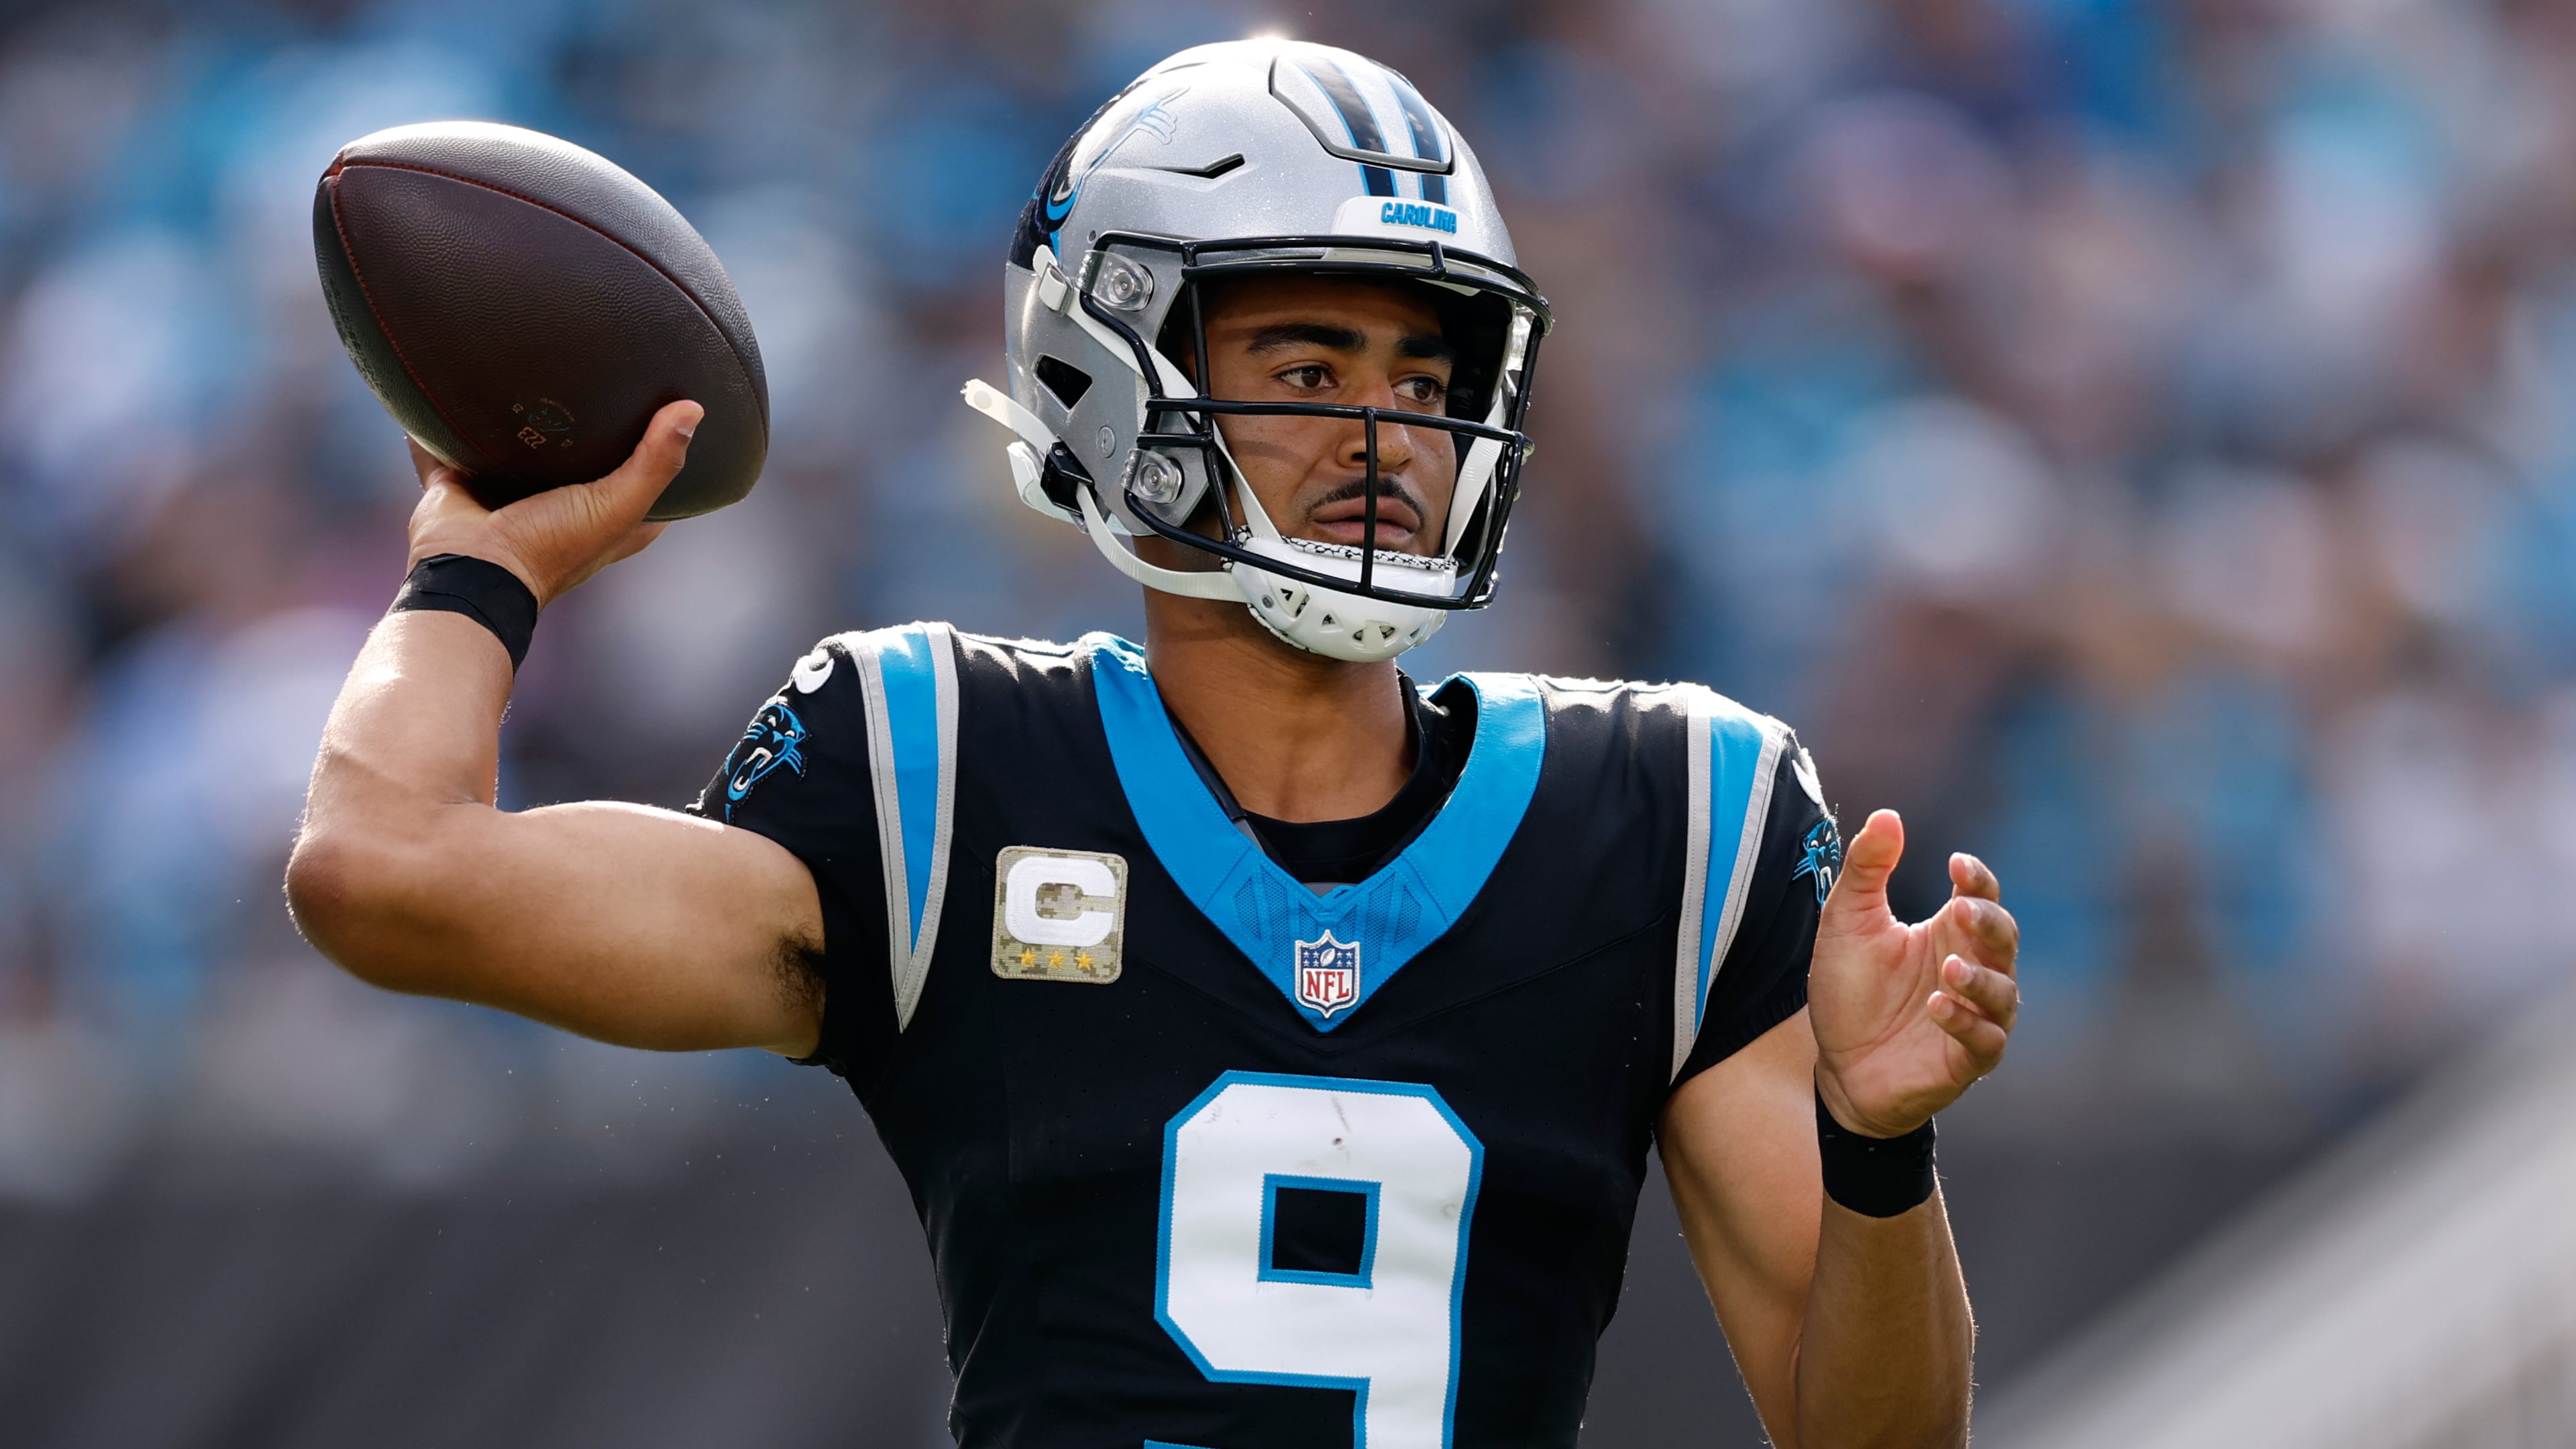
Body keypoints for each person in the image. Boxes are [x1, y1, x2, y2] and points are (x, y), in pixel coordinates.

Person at [286, 39, 2020, 1449]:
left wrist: (1879, 1146)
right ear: (1110, 375)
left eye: (1426, 375)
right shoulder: (942, 769)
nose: (1389, 429)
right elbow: (383, 871)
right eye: (1312, 357)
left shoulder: (1669, 816)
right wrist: (478, 561)